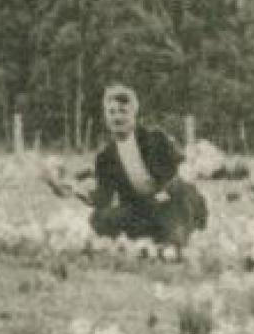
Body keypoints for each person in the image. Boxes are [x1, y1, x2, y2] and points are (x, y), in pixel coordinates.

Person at [89, 84, 208, 248]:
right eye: (112, 112)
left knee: (174, 241)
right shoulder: (105, 157)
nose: (117, 118)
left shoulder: (155, 139)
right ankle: (151, 234)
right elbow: (104, 198)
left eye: (123, 112)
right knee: (100, 218)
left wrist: (163, 195)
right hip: (141, 209)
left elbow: (181, 173)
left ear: (134, 114)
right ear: (105, 116)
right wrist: (75, 192)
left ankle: (176, 232)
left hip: (172, 201)